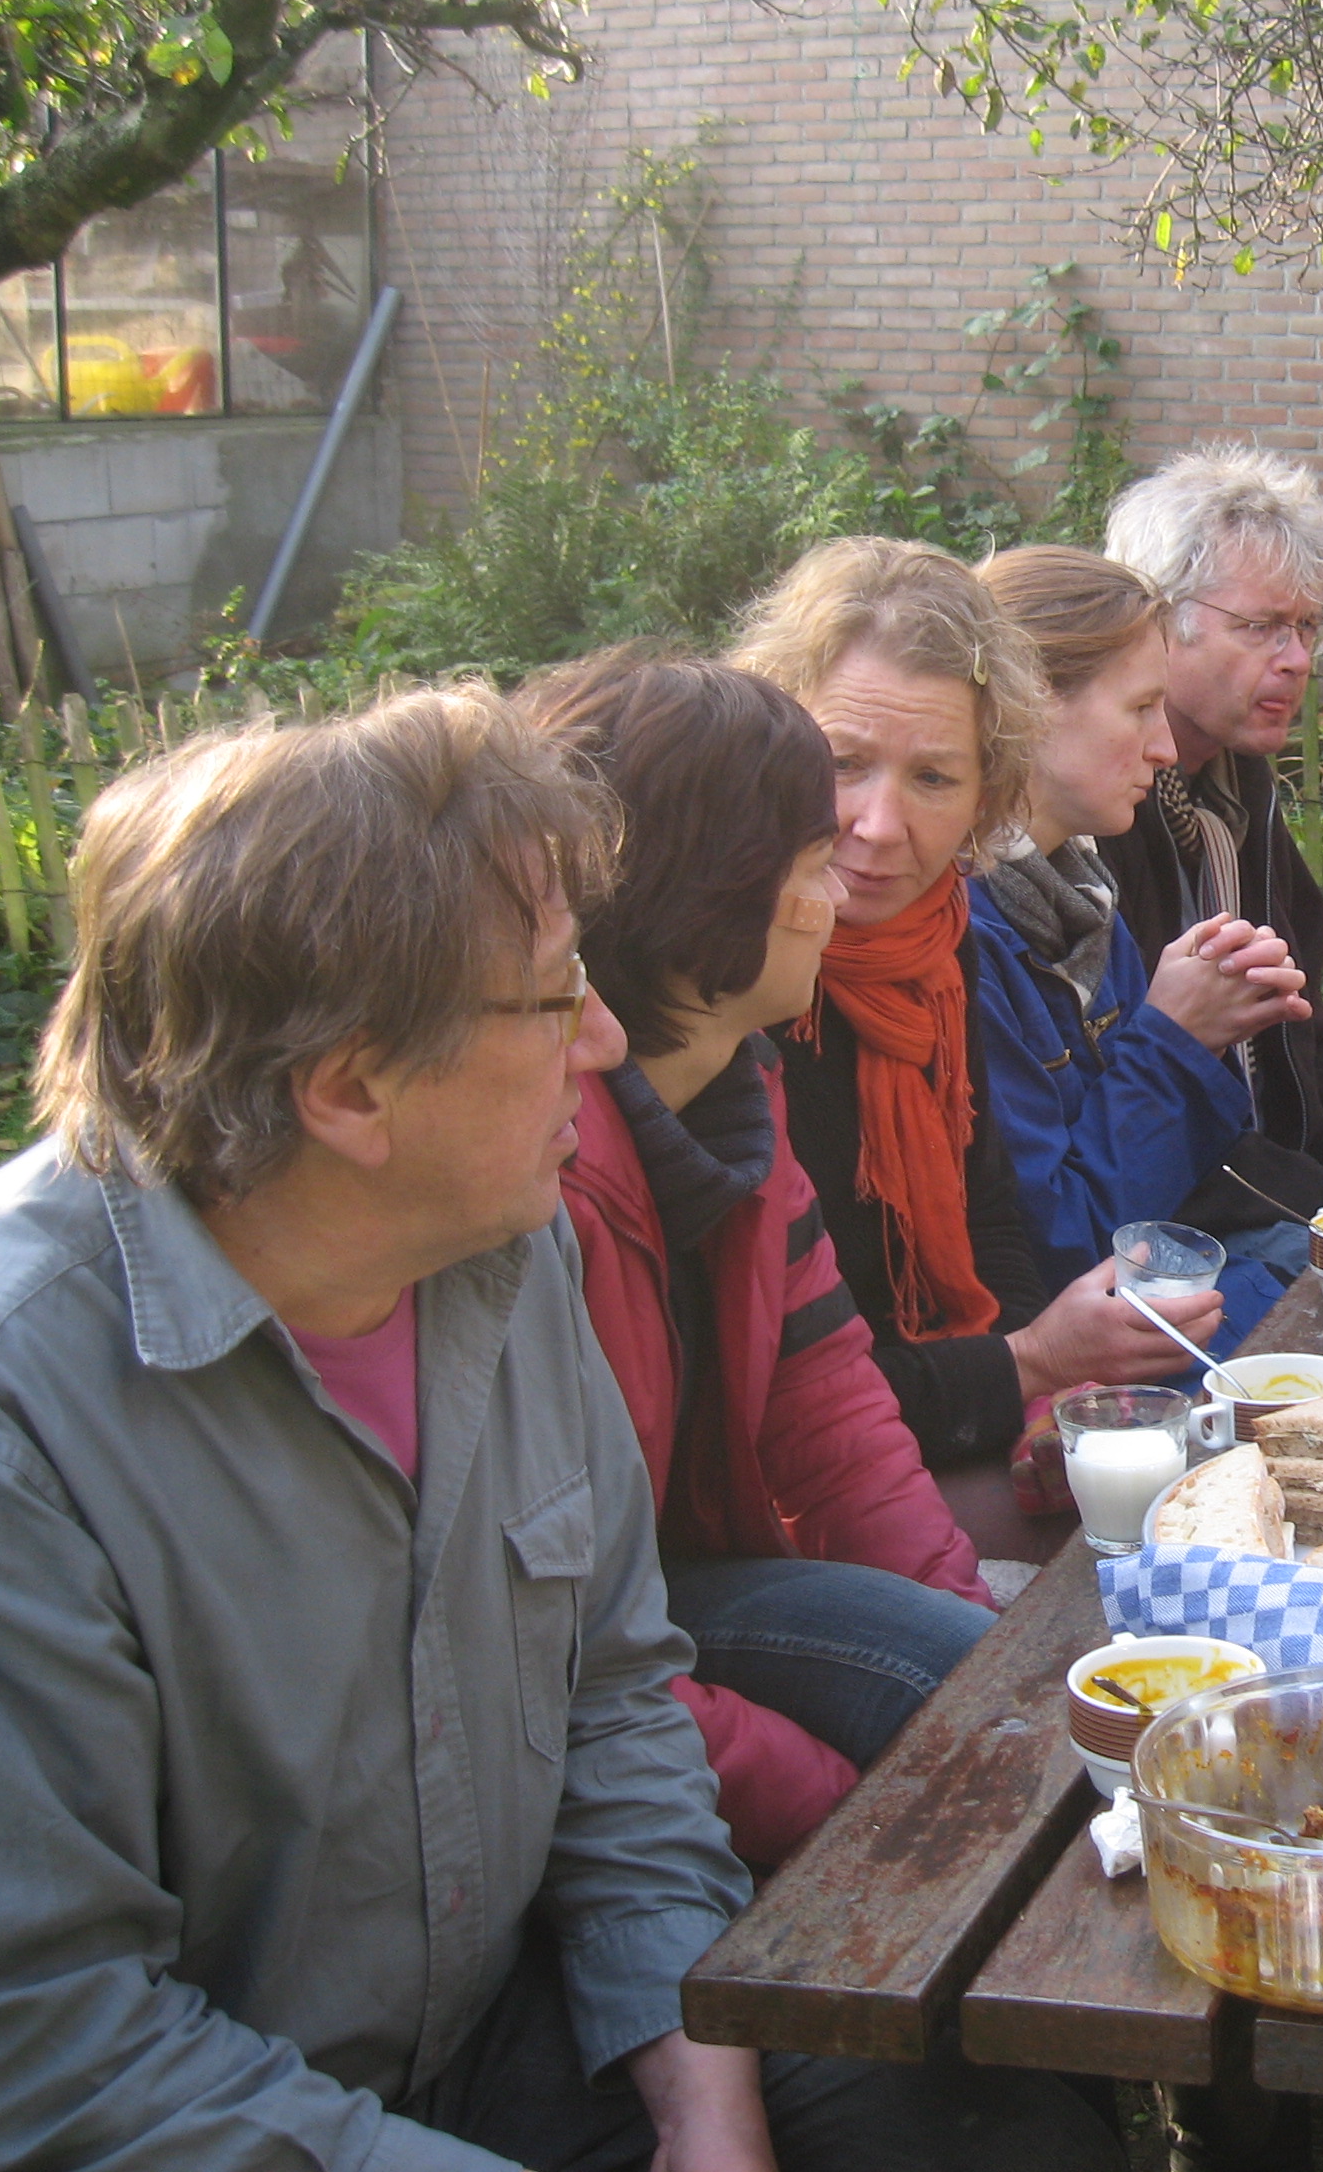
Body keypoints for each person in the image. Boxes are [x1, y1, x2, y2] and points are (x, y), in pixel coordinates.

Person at [0, 689, 1117, 2170]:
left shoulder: (490, 1253)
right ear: (346, 1087)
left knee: (999, 2112)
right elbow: (45, 2071)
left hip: (493, 2035)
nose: (600, 1038)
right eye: (549, 998)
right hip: (218, 2112)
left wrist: (698, 2079)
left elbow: (609, 1690)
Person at [527, 652, 996, 1871]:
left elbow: (825, 1401)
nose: (831, 898)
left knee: (983, 1690)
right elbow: (571, 1654)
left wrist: (966, 1621)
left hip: (679, 1592)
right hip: (593, 1653)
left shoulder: (738, 1091)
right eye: (805, 867)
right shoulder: (542, 1180)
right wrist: (845, 1813)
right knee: (965, 1754)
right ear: (711, 895)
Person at [729, 539, 1219, 1508]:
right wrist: (1029, 1369)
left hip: (946, 1413)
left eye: (933, 780)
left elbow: (986, 1209)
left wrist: (1040, 1393)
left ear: (990, 789)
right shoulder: (737, 980)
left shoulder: (937, 934)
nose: (877, 825)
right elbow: (776, 1398)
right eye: (844, 763)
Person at [969, 545, 1307, 1337]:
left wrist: (1214, 1012)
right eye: (1139, 709)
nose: (1163, 751)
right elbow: (1070, 1250)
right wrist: (1177, 1039)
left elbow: (1171, 1193)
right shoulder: (970, 937)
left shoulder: (1079, 895)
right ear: (1033, 705)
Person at [1097, 447, 1323, 1235]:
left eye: (1307, 626)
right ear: (1159, 621)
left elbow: (1301, 1045)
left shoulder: (1242, 793)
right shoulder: (1093, 826)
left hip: (1261, 1198)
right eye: (1262, 627)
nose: (1298, 660)